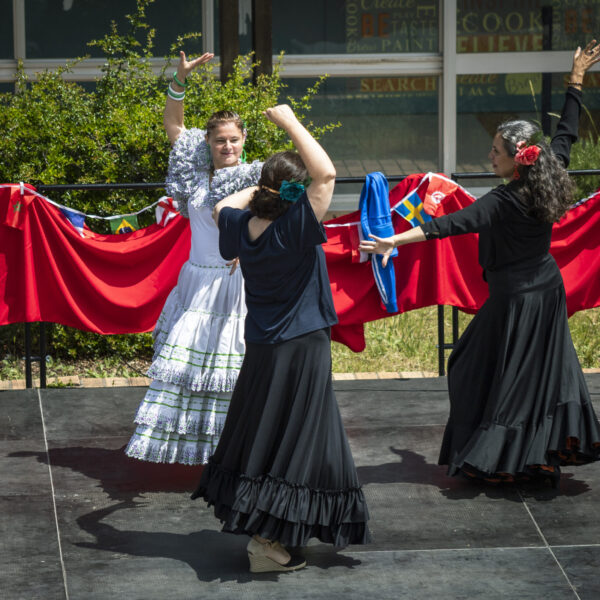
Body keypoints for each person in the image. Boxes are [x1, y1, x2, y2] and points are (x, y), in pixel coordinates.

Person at [359, 41, 600, 487]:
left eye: (495, 152)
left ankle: (503, 458)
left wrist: (392, 239)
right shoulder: (551, 173)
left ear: (517, 159)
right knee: (533, 377)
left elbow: (446, 225)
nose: (489, 157)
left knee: (475, 366)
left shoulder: (504, 201)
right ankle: (538, 455)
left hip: (515, 301)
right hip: (546, 291)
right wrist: (575, 79)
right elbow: (566, 134)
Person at [191, 105, 371, 573]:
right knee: (296, 440)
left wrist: (254, 191)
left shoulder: (241, 227)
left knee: (270, 433)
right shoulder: (295, 226)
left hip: (264, 347)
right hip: (303, 346)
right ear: (294, 193)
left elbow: (219, 207)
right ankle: (267, 540)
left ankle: (275, 532)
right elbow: (327, 172)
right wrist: (290, 122)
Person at [125, 51, 263, 465]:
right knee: (186, 366)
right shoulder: (195, 173)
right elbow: (173, 124)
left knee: (233, 367)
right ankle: (197, 448)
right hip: (196, 282)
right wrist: (179, 80)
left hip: (236, 286)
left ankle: (240, 447)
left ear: (243, 140)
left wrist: (248, 248)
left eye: (233, 139)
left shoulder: (256, 176)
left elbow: (278, 219)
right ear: (208, 142)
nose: (227, 145)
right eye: (219, 139)